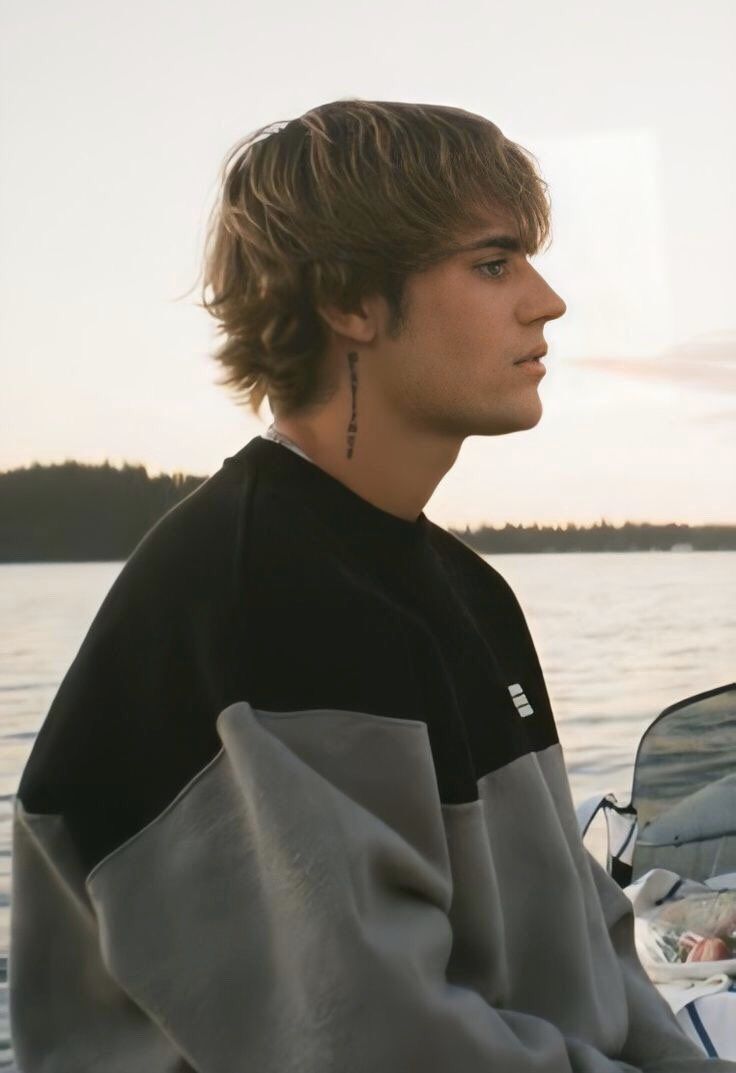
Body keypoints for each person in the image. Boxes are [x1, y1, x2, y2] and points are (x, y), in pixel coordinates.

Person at [10, 98, 734, 1072]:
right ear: (350, 298)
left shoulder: (465, 588)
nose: (545, 300)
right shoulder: (259, 600)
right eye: (493, 263)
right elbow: (374, 1047)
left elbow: (595, 951)